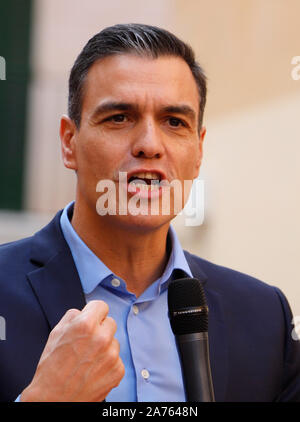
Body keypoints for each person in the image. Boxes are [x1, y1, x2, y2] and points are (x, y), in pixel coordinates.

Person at [0, 23, 299, 403]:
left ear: (199, 150)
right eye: (119, 118)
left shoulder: (264, 318)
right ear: (69, 142)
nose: (149, 145)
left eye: (175, 122)